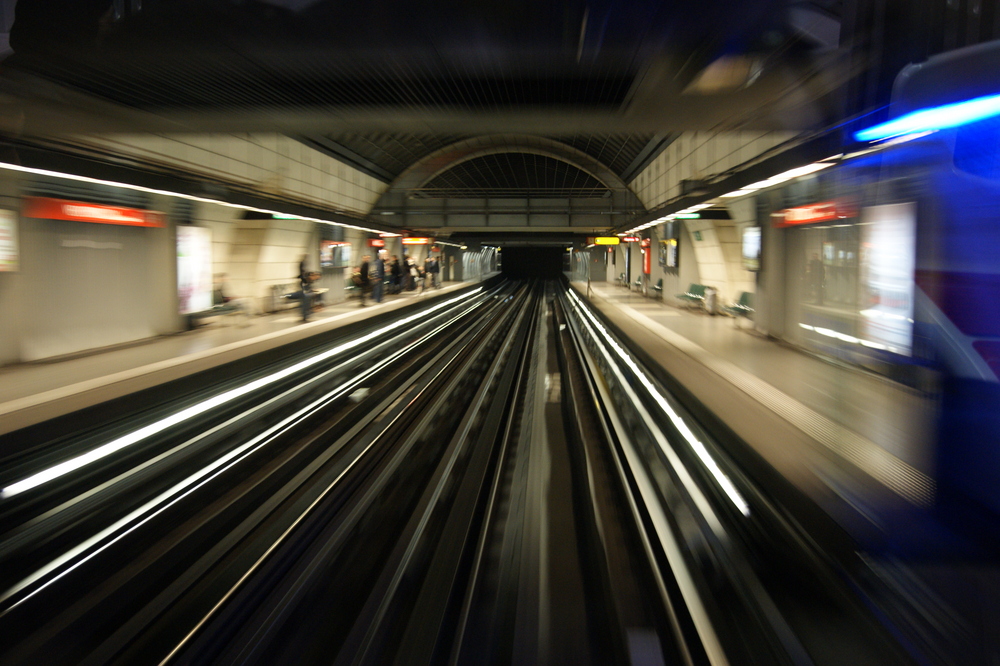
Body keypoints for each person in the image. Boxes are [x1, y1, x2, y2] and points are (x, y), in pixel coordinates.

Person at [298, 255, 311, 322]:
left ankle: (305, 315)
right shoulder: (304, 278)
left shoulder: (304, 278)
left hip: (304, 287)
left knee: (305, 301)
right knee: (305, 301)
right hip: (305, 288)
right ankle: (305, 315)